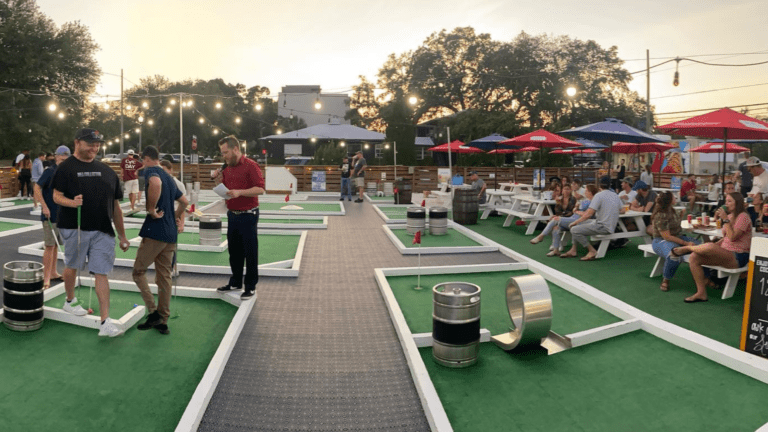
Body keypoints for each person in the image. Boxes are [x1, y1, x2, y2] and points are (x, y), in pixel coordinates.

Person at [52, 128, 130, 337]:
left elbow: (116, 208)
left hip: (103, 231)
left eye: (97, 144)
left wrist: (122, 235)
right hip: (74, 227)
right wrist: (72, 202)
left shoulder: (107, 172)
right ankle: (69, 301)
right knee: (72, 266)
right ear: (77, 143)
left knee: (101, 272)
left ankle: (105, 322)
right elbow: (56, 196)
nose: (94, 148)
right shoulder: (65, 168)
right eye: (90, 144)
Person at [133, 146, 188, 335]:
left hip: (155, 232)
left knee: (138, 272)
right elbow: (185, 202)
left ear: (147, 158)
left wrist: (151, 209)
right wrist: (174, 217)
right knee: (164, 276)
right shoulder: (170, 179)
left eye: (142, 160)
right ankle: (163, 319)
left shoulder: (152, 171)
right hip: (170, 233)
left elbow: (154, 184)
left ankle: (153, 311)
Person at [672, 192, 751, 303]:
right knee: (694, 257)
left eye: (729, 201)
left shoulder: (743, 217)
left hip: (738, 256)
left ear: (737, 203)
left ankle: (688, 248)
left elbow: (732, 237)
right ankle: (701, 293)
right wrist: (716, 244)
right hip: (726, 253)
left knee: (708, 246)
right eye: (726, 201)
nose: (726, 204)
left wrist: (725, 220)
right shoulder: (730, 216)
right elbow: (725, 238)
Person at [214, 135, 265, 300]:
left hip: (248, 214)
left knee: (250, 251)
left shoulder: (251, 165)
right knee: (234, 251)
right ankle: (235, 282)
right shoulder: (227, 168)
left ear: (235, 149)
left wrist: (240, 192)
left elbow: (260, 189)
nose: (224, 156)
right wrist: (219, 184)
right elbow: (228, 191)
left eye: (226, 152)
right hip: (233, 214)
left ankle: (250, 286)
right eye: (222, 153)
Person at [34, 145, 70, 289]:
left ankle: (54, 272)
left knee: (55, 245)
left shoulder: (66, 172)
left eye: (66, 157)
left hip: (61, 215)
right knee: (49, 246)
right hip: (49, 214)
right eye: (61, 157)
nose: (63, 159)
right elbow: (37, 188)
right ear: (56, 157)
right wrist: (44, 206)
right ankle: (45, 278)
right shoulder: (50, 171)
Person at [561, 178, 622, 261]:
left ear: (599, 185)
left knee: (574, 229)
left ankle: (592, 250)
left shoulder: (599, 195)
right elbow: (622, 210)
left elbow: (589, 214)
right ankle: (573, 250)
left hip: (602, 226)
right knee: (576, 226)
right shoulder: (615, 195)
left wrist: (575, 222)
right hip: (609, 225)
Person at [650, 191, 699, 292]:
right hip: (661, 241)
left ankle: (706, 278)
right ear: (669, 201)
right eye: (674, 197)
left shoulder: (672, 210)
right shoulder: (661, 215)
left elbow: (675, 228)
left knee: (702, 248)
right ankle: (666, 279)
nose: (676, 198)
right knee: (674, 254)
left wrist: (681, 217)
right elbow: (667, 236)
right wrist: (686, 244)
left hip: (676, 237)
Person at [530, 182, 577, 255]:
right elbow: (558, 211)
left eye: (568, 189)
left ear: (571, 190)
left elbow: (571, 213)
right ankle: (556, 250)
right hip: (561, 220)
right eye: (565, 189)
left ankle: (541, 236)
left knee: (555, 219)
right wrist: (556, 215)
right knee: (555, 227)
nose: (566, 191)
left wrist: (559, 216)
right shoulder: (559, 200)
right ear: (562, 190)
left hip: (570, 221)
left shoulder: (573, 200)